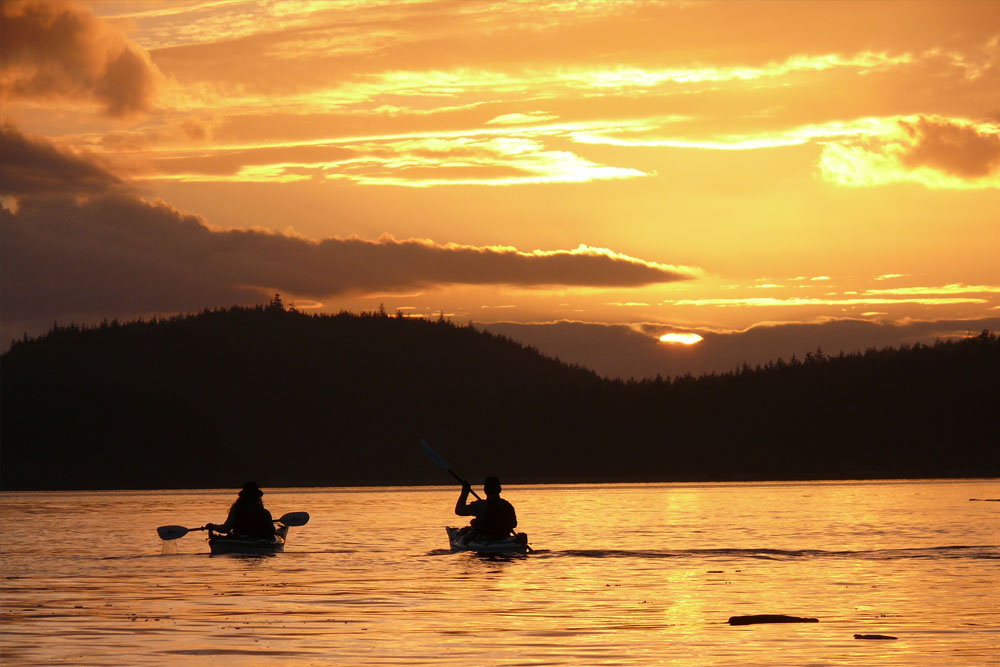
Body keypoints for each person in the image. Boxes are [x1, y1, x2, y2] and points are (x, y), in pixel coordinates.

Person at [455, 476, 517, 540]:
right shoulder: (507, 505)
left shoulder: (479, 505)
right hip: (504, 538)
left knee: (473, 523)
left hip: (484, 539)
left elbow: (459, 510)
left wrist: (465, 492)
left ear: (485, 490)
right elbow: (514, 524)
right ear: (500, 490)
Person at [207, 481, 276, 539]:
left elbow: (226, 528)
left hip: (238, 539)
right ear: (257, 498)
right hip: (258, 541)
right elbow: (272, 532)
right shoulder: (265, 513)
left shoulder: (235, 510)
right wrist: (213, 527)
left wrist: (213, 527)